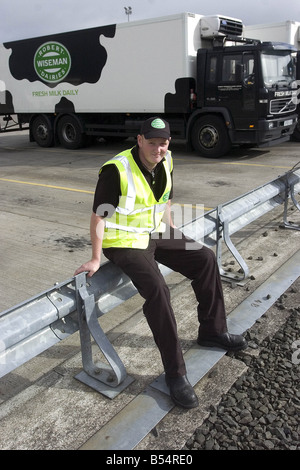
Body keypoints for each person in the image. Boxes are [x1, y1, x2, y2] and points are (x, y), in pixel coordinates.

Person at [74, 117, 247, 409]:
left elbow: (164, 199)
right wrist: (94, 257)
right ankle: (176, 374)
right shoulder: (116, 170)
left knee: (204, 257)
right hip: (125, 242)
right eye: (151, 142)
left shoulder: (167, 160)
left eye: (162, 143)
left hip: (155, 232)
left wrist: (172, 235)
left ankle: (212, 331)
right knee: (158, 289)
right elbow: (99, 216)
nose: (158, 149)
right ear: (139, 140)